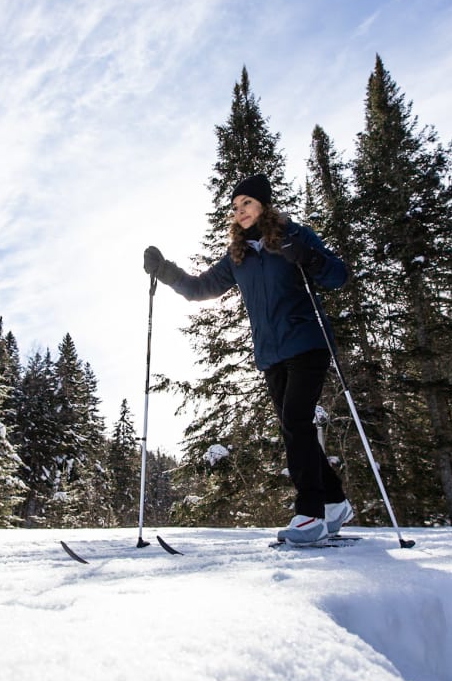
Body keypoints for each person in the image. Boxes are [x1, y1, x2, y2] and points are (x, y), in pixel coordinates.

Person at [143, 174, 352, 545]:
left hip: (307, 341)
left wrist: (308, 257)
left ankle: (311, 513)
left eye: (247, 204)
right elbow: (199, 288)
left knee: (295, 422)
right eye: (236, 206)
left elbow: (338, 276)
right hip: (271, 354)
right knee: (295, 427)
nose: (240, 211)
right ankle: (335, 502)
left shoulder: (294, 236)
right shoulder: (237, 256)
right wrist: (165, 270)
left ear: (264, 206)